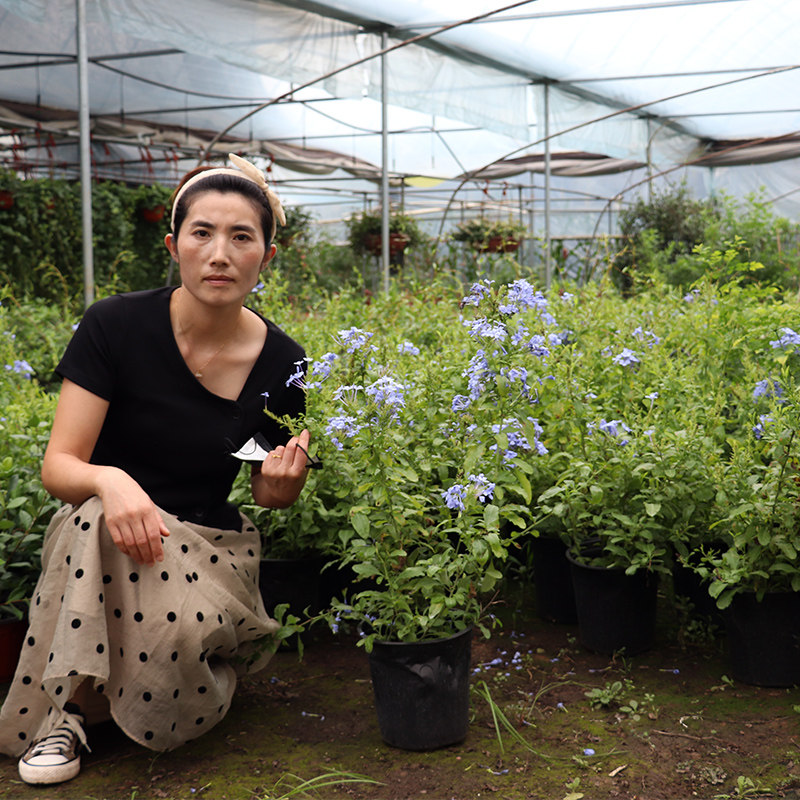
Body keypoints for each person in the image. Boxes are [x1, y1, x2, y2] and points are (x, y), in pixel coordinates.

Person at [0, 154, 311, 785]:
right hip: (97, 538)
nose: (219, 254)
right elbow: (60, 465)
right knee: (94, 518)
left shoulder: (284, 362)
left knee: (174, 692)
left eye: (241, 237)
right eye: (202, 233)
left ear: (267, 258)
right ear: (173, 246)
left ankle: (147, 684)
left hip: (205, 544)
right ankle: (70, 712)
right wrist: (111, 480)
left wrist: (283, 486)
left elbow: (265, 488)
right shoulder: (115, 325)